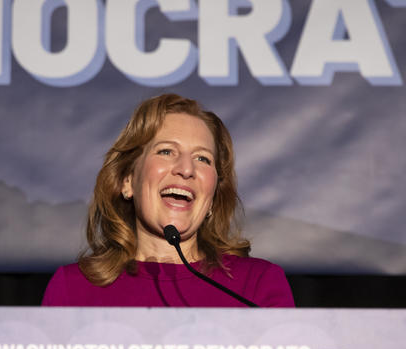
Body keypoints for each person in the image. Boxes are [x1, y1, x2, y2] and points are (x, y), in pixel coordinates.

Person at [42, 94, 294, 307]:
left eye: (202, 158)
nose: (186, 169)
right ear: (127, 181)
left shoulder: (257, 285)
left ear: (214, 193)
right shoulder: (73, 288)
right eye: (166, 151)